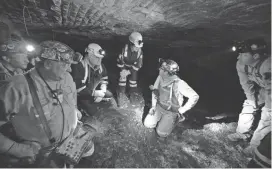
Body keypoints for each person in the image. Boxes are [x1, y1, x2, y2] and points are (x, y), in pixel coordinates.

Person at [0, 40, 94, 167]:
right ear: (48, 64)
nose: (70, 69)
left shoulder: (66, 77)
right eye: (64, 65)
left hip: (69, 144)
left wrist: (73, 113)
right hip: (44, 156)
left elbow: (70, 99)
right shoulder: (17, 87)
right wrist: (17, 149)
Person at [227, 38, 271, 154]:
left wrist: (268, 108)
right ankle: (242, 133)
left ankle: (256, 146)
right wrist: (251, 99)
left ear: (256, 56)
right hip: (265, 87)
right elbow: (245, 83)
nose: (238, 57)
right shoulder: (241, 64)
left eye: (243, 54)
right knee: (249, 104)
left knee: (268, 116)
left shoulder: (268, 66)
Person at [143, 59, 199, 137]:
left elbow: (194, 96)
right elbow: (155, 91)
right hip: (159, 106)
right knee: (148, 124)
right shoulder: (160, 77)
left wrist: (182, 110)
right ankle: (162, 120)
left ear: (168, 72)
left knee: (161, 133)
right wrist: (153, 106)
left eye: (162, 69)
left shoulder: (179, 83)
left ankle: (177, 118)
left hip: (171, 112)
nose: (159, 69)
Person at [71, 43, 115, 113]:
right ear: (89, 55)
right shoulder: (79, 66)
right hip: (81, 95)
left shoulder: (100, 66)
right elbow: (78, 88)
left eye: (101, 58)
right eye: (97, 57)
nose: (99, 60)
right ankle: (82, 109)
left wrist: (103, 87)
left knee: (109, 95)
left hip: (92, 91)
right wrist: (95, 93)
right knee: (93, 111)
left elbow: (104, 77)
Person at [116, 32, 144, 107]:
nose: (137, 48)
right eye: (136, 47)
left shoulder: (140, 52)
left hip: (132, 68)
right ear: (131, 44)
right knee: (122, 79)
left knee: (133, 82)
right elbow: (119, 61)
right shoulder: (123, 49)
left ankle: (133, 97)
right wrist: (123, 70)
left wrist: (129, 71)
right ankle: (121, 97)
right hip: (123, 66)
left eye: (139, 47)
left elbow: (138, 65)